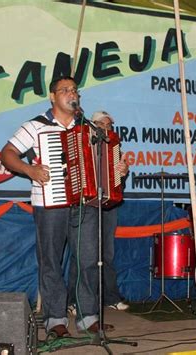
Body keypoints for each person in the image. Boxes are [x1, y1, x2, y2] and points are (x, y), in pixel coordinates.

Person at [1, 76, 85, 337]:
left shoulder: (86, 127)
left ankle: (87, 315)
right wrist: (30, 169)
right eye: (65, 90)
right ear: (52, 96)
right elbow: (7, 154)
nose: (71, 94)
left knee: (89, 260)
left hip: (83, 201)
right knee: (51, 261)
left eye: (74, 90)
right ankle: (55, 318)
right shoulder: (36, 126)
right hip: (49, 202)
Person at [68, 111, 129, 323]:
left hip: (108, 203)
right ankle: (74, 301)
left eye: (110, 125)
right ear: (93, 125)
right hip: (86, 203)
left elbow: (118, 178)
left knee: (107, 254)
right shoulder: (80, 140)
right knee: (83, 255)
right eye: (103, 124)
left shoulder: (114, 146)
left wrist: (122, 171)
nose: (107, 128)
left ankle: (110, 297)